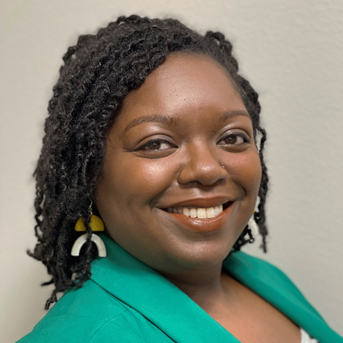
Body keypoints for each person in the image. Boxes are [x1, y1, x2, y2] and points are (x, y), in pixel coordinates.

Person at [18, 15, 342, 343]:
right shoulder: (81, 336)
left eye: (232, 137)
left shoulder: (267, 279)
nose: (207, 169)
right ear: (89, 174)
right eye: (156, 143)